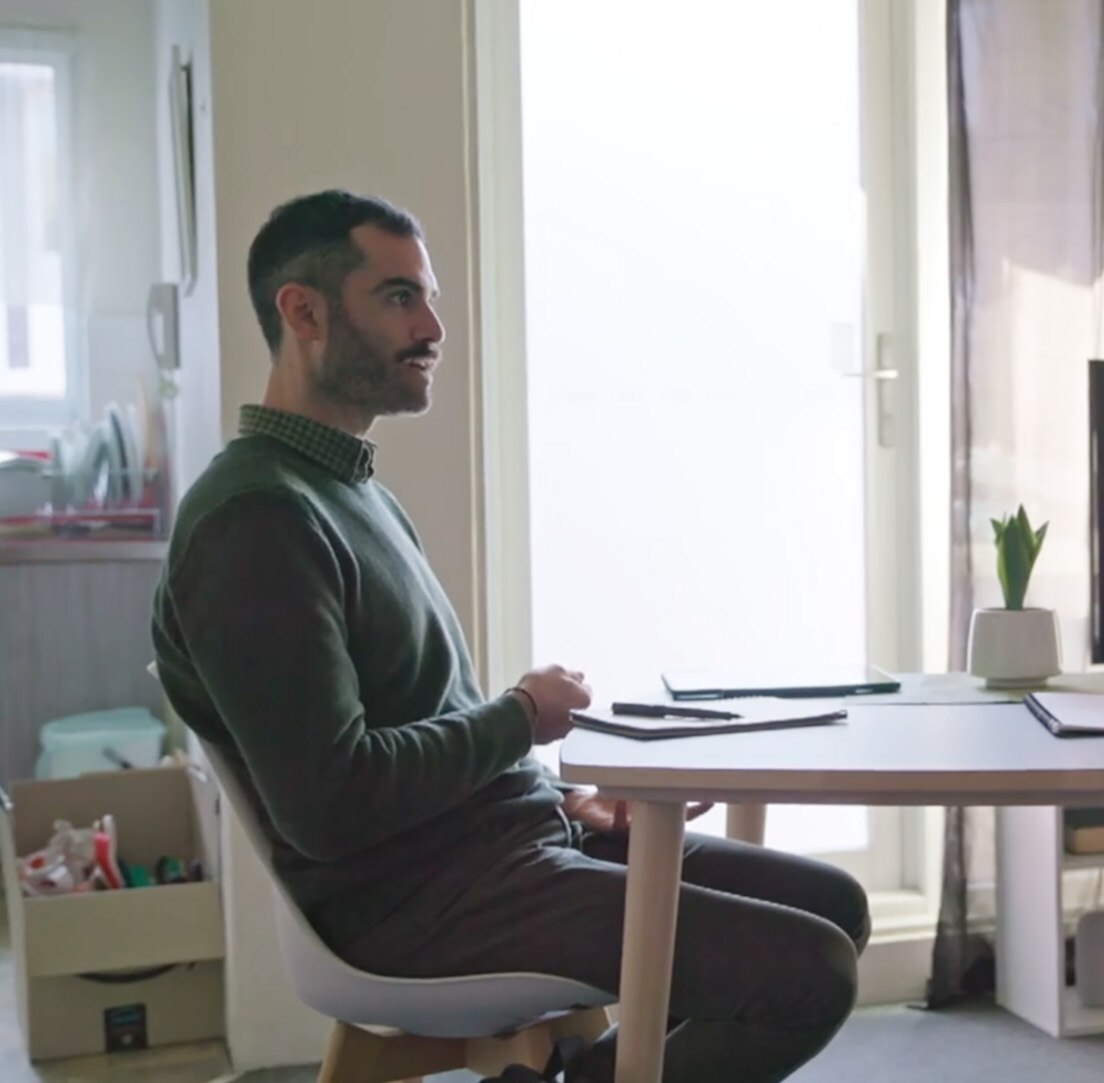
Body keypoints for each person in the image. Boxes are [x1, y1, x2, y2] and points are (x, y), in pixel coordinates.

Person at [151, 190, 869, 1082]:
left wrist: (547, 797)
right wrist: (520, 716)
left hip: (499, 844)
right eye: (399, 297)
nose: (434, 326)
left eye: (431, 297)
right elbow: (332, 805)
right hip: (415, 902)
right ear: (303, 311)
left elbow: (418, 723)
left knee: (834, 903)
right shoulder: (255, 523)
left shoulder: (348, 490)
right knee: (808, 970)